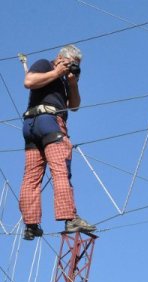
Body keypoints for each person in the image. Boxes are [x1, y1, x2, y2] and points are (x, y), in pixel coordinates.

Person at [19, 44, 96, 240]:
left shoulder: (63, 80)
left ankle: (31, 224)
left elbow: (75, 106)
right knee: (60, 169)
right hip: (49, 122)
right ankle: (69, 218)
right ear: (61, 58)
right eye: (72, 64)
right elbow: (29, 81)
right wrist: (56, 72)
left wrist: (72, 83)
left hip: (30, 126)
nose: (73, 68)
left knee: (31, 176)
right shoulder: (46, 64)